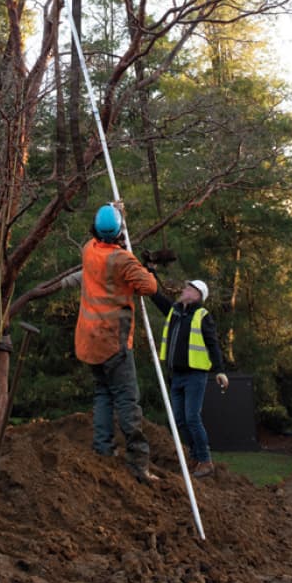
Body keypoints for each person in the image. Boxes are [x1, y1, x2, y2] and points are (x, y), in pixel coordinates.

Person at [74, 203, 160, 484]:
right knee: (127, 400)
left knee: (103, 393)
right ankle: (138, 463)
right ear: (120, 233)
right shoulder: (123, 260)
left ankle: (103, 449)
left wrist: (118, 212)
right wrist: (147, 269)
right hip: (113, 341)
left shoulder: (88, 250)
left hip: (89, 341)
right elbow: (149, 287)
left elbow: (106, 236)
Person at [152, 276, 228, 478]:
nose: (183, 290)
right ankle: (194, 456)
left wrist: (219, 370)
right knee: (179, 420)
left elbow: (213, 344)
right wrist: (149, 273)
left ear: (197, 295)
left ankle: (205, 460)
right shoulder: (175, 312)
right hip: (176, 375)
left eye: (188, 288)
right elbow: (155, 295)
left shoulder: (202, 316)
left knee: (192, 418)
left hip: (195, 375)